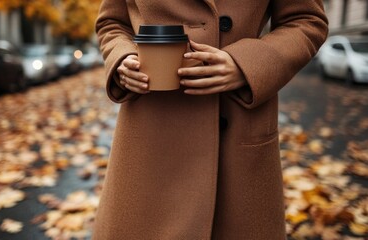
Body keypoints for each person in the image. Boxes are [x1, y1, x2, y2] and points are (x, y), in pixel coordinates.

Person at [92, 0, 328, 239]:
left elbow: (307, 21)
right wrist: (123, 58)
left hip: (234, 128)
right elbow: (112, 23)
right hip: (151, 131)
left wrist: (246, 64)